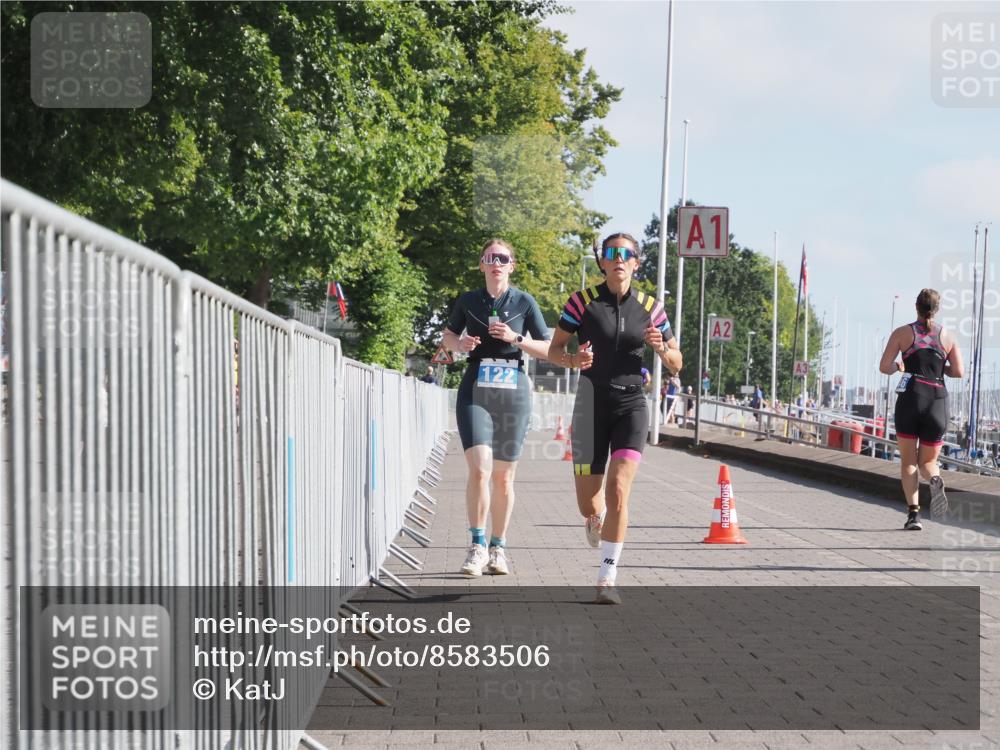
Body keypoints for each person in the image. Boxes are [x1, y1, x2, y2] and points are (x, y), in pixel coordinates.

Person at [548, 232, 682, 604]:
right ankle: (596, 519)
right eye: (612, 252)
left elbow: (676, 361)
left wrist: (661, 350)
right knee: (589, 505)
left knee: (619, 487)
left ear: (636, 263)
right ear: (603, 261)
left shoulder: (651, 307)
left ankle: (607, 577)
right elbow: (555, 349)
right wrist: (574, 360)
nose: (619, 258)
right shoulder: (581, 302)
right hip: (590, 406)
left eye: (627, 254)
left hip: (631, 406)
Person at [442, 239, 553, 576]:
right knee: (479, 470)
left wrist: (516, 339)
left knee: (504, 479)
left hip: (512, 390)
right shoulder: (468, 301)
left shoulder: (524, 301)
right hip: (476, 387)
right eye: (490, 258)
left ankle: (498, 548)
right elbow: (447, 337)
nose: (496, 263)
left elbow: (548, 348)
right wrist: (459, 343)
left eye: (502, 258)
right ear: (482, 265)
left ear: (511, 265)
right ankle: (476, 546)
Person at [879, 288, 964, 531]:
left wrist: (899, 365)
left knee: (908, 461)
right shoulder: (948, 336)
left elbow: (884, 367)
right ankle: (935, 479)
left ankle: (913, 516)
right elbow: (958, 371)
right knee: (928, 462)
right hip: (938, 399)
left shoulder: (903, 333)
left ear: (916, 307)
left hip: (911, 397)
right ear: (936, 309)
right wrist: (940, 369)